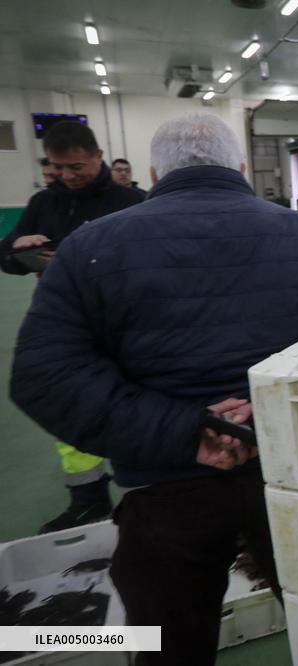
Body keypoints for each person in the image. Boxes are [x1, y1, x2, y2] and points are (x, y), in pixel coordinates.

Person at [10, 113, 298, 665]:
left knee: (167, 645)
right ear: (241, 167)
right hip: (294, 478)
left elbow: (43, 375)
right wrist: (265, 417)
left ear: (153, 171)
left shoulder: (90, 248)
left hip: (164, 488)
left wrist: (186, 432)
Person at [2, 120, 145, 533]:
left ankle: (147, 495)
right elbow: (5, 254)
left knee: (133, 405)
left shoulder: (132, 201)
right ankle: (89, 500)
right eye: (57, 167)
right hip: (64, 323)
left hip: (122, 322)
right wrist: (18, 251)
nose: (67, 175)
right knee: (73, 407)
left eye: (75, 166)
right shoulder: (43, 203)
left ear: (97, 156)